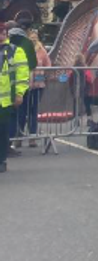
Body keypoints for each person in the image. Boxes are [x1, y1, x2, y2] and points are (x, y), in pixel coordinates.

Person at [0, 22, 29, 173]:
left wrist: (19, 93)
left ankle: (1, 160)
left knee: (2, 131)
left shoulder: (15, 51)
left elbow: (22, 73)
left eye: (2, 33)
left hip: (5, 100)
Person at [16, 28, 50, 149]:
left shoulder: (42, 51)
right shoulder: (22, 50)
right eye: (31, 38)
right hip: (24, 85)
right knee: (21, 112)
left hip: (37, 85)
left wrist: (44, 75)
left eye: (35, 38)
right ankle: (18, 137)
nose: (33, 40)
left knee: (33, 111)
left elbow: (48, 65)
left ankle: (32, 137)